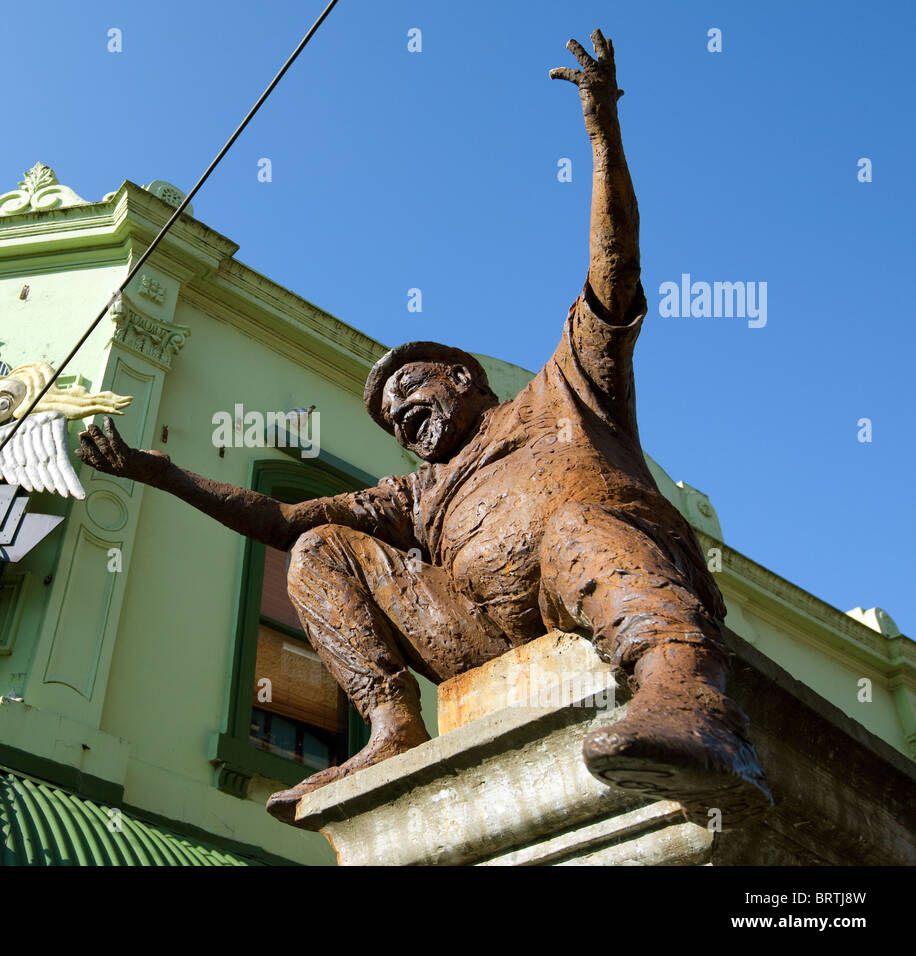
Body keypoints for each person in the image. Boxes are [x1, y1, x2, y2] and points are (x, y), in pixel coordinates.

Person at [76, 30, 772, 830]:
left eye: (409, 390)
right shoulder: (419, 493)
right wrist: (161, 473)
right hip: (476, 631)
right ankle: (392, 728)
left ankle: (687, 695)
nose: (399, 416)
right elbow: (280, 519)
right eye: (387, 419)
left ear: (464, 377)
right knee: (318, 550)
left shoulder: (564, 392)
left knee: (577, 525)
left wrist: (601, 131)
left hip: (602, 569)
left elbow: (612, 274)